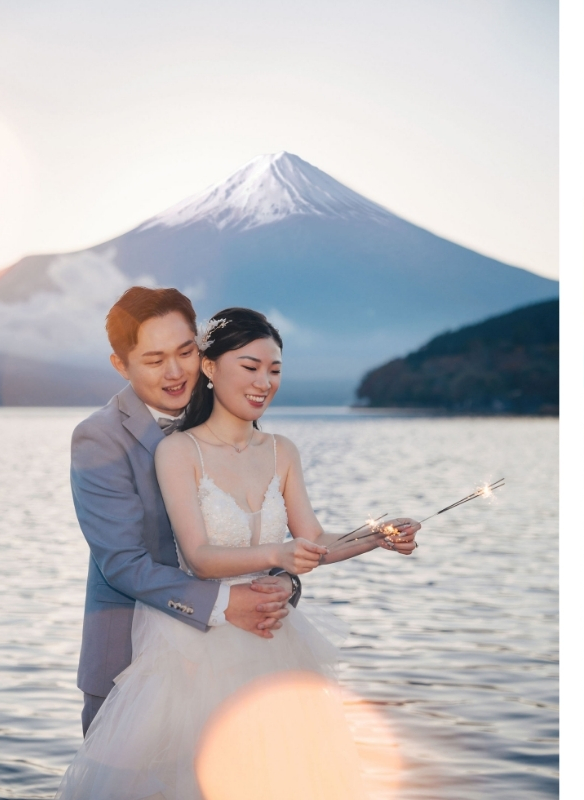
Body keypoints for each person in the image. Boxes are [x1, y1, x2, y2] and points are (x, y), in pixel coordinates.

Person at [59, 299, 419, 799]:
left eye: (184, 351)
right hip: (149, 655)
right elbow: (124, 563)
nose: (174, 370)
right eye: (154, 358)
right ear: (121, 364)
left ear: (199, 355)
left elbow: (309, 539)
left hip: (265, 646)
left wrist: (378, 535)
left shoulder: (272, 445)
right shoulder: (109, 439)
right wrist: (243, 590)